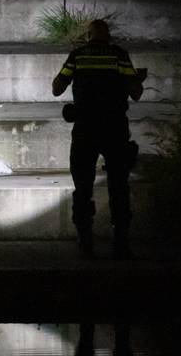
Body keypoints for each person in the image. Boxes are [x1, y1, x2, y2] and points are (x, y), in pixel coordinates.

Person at [52, 19, 147, 258]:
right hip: (114, 128)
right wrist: (135, 79)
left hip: (85, 128)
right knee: (119, 188)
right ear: (108, 35)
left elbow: (56, 87)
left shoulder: (77, 56)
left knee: (83, 188)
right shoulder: (119, 56)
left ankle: (85, 242)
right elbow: (136, 93)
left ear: (88, 35)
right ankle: (121, 244)